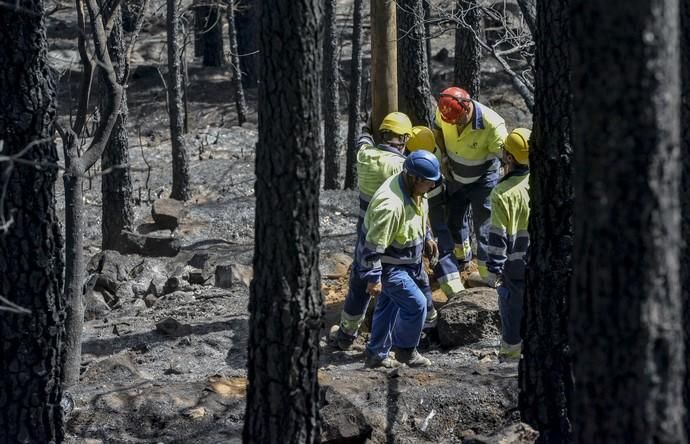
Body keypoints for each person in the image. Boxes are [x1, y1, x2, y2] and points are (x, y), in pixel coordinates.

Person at [332, 114, 437, 350]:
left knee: (359, 284)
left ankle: (347, 335)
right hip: (394, 234)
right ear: (405, 138)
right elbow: (419, 203)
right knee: (413, 280)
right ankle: (428, 329)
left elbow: (363, 142)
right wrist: (428, 235)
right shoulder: (404, 168)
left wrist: (366, 128)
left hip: (366, 231)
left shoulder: (365, 156)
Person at [361, 150, 441, 368]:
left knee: (388, 306)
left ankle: (376, 354)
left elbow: (419, 213)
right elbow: (373, 246)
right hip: (390, 267)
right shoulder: (390, 205)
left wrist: (427, 237)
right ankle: (406, 351)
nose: (432, 187)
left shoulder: (416, 190)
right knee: (417, 304)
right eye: (429, 182)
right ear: (415, 178)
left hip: (407, 262)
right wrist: (374, 277)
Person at [431, 86, 508, 297]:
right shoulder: (445, 111)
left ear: (467, 108)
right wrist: (444, 158)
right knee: (454, 220)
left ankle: (489, 274)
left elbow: (507, 159)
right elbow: (438, 131)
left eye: (458, 120)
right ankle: (462, 258)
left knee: (484, 225)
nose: (454, 124)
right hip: (455, 176)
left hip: (483, 180)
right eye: (451, 121)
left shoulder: (493, 125)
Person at [484, 128, 531, 360]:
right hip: (540, 261)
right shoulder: (539, 182)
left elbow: (498, 236)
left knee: (512, 310)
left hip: (515, 267)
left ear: (510, 157)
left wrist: (494, 269)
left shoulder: (502, 192)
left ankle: (511, 355)